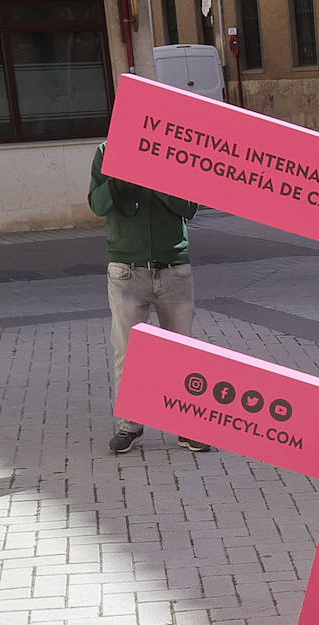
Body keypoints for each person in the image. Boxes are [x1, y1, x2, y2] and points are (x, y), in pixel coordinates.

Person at [88, 141, 210, 455]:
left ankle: (188, 426)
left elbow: (189, 206)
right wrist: (120, 179)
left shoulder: (178, 150)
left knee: (182, 352)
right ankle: (131, 425)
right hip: (126, 271)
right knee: (127, 353)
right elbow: (97, 204)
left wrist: (156, 174)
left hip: (174, 270)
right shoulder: (107, 151)